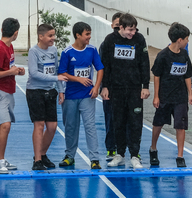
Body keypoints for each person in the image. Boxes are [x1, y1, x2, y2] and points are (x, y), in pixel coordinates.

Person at [100, 13, 150, 169]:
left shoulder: (139, 39)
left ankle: (135, 155)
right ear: (120, 27)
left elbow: (144, 63)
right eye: (130, 30)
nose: (132, 33)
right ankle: (120, 154)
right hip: (116, 89)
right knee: (118, 122)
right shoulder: (110, 40)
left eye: (134, 30)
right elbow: (105, 65)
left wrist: (145, 86)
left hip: (134, 89)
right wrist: (105, 86)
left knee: (135, 122)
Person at [58, 22, 104, 169]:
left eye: (90, 34)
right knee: (71, 127)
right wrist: (78, 79)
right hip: (70, 95)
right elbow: (62, 73)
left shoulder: (92, 50)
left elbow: (100, 69)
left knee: (90, 126)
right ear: (78, 35)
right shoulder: (67, 52)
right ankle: (69, 156)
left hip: (87, 95)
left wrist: (96, 87)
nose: (89, 37)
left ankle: (94, 158)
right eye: (87, 34)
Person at [150, 22, 192, 168]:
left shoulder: (184, 54)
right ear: (179, 40)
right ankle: (153, 148)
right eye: (187, 39)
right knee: (158, 123)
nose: (188, 41)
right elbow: (156, 76)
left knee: (180, 126)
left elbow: (187, 75)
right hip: (165, 95)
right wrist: (156, 96)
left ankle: (180, 155)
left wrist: (190, 93)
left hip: (180, 96)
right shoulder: (163, 55)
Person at [0, 17, 25, 174]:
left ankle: (0, 158)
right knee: (5, 125)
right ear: (16, 33)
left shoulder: (9, 47)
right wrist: (10, 72)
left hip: (8, 90)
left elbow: (8, 67)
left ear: (2, 29)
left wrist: (17, 70)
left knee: (7, 126)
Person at [26, 23, 65, 171]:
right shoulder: (33, 52)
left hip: (50, 92)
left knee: (52, 126)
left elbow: (56, 70)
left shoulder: (53, 50)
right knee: (39, 125)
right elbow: (34, 73)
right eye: (50, 36)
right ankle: (37, 160)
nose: (53, 38)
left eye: (54, 35)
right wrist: (56, 79)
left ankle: (42, 154)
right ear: (41, 36)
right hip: (35, 91)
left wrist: (61, 90)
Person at [98, 12, 123, 160]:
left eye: (121, 25)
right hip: (110, 88)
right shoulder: (106, 43)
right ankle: (111, 148)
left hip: (126, 88)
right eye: (116, 25)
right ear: (112, 25)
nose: (118, 28)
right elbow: (102, 67)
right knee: (110, 118)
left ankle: (128, 149)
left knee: (128, 120)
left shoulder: (132, 42)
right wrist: (104, 86)